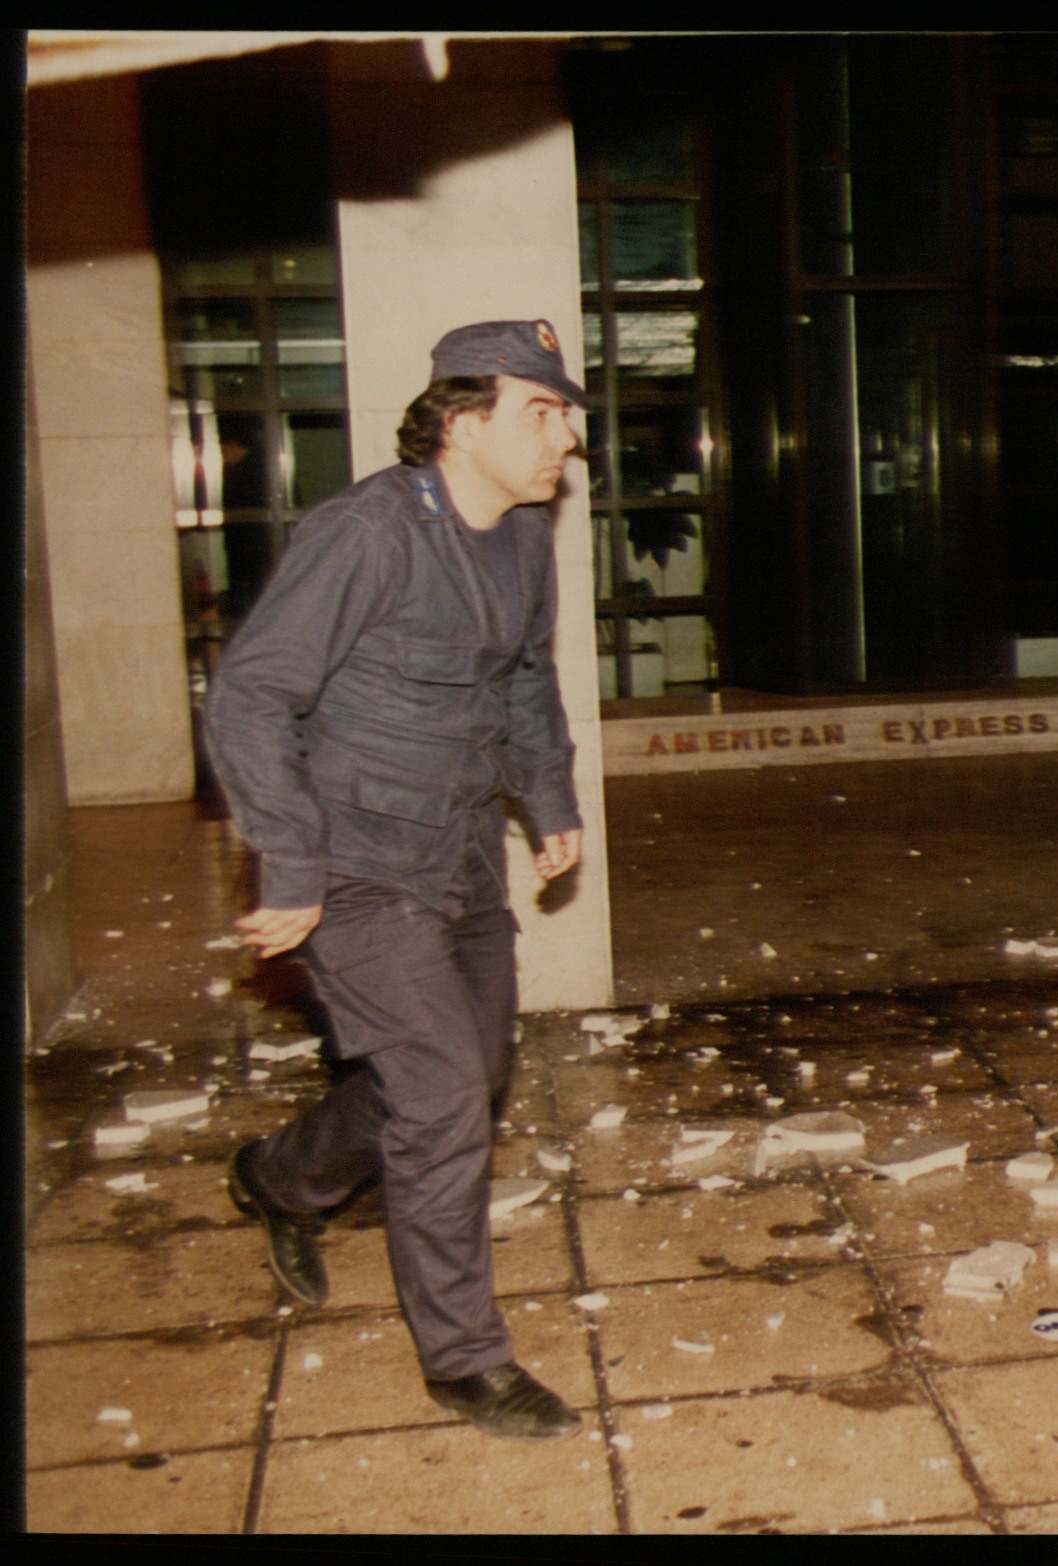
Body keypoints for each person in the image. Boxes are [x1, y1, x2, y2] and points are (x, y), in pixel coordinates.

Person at [203, 320, 590, 1440]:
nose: (566, 435)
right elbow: (250, 698)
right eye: (541, 411)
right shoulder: (365, 535)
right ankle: (464, 1363)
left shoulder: (521, 535)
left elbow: (521, 678)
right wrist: (291, 858)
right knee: (436, 1096)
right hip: (356, 867)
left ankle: (278, 1179)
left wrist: (549, 800)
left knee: (466, 1077)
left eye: (567, 414)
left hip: (459, 852)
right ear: (463, 423)